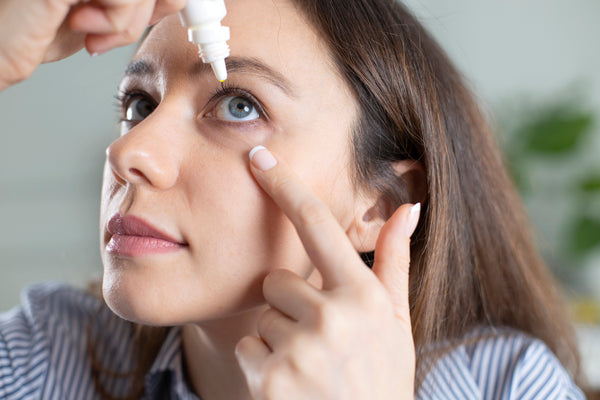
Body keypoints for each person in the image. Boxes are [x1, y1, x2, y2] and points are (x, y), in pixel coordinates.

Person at [0, 0, 588, 399]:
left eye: (239, 106)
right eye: (138, 105)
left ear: (380, 205)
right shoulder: (48, 356)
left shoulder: (505, 384)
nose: (130, 153)